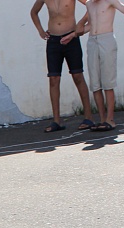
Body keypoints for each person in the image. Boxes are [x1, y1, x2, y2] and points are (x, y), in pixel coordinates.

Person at [77, 0, 124, 131]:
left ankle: (110, 119)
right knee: (95, 83)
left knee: (108, 82)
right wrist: (78, 27)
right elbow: (85, 27)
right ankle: (102, 119)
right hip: (92, 40)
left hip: (106, 39)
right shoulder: (90, 4)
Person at [30, 0, 96, 133]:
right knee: (54, 79)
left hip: (71, 38)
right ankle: (56, 120)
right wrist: (41, 31)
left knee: (78, 76)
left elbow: (92, 5)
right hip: (53, 40)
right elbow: (34, 12)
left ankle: (88, 117)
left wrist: (81, 22)